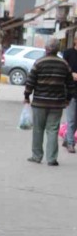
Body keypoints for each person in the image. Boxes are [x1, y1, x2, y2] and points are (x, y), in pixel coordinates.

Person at [24, 39, 76, 167]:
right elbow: (70, 84)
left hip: (39, 103)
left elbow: (30, 81)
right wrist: (68, 99)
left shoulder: (39, 62)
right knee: (52, 130)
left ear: (47, 49)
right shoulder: (64, 64)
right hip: (57, 104)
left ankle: (37, 156)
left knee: (38, 129)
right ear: (58, 49)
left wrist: (27, 96)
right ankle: (52, 158)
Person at [60, 36, 77, 154]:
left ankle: (67, 139)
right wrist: (71, 74)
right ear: (75, 40)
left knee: (75, 120)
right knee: (71, 119)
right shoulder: (68, 53)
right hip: (71, 90)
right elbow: (63, 69)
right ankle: (71, 143)